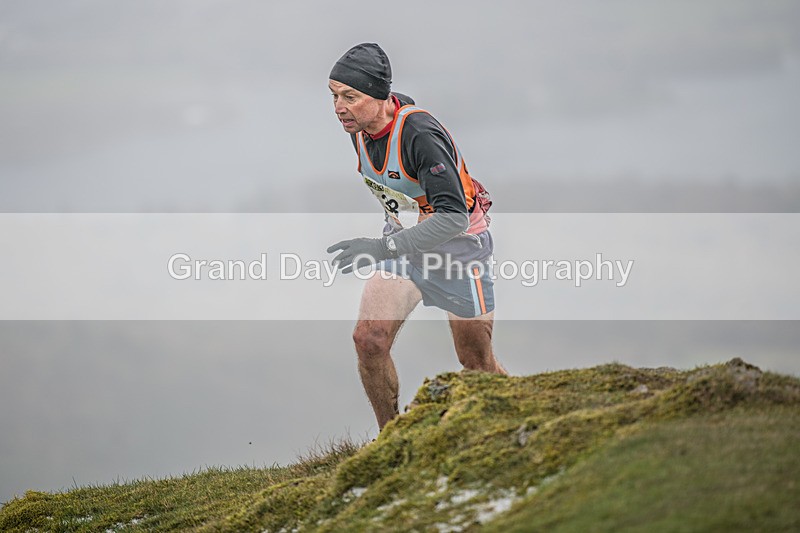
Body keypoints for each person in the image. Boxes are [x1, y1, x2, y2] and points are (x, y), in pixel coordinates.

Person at [326, 43, 507, 430]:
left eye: (350, 97)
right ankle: (391, 439)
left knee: (476, 364)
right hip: (405, 250)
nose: (339, 107)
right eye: (334, 95)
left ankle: (527, 414)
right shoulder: (360, 126)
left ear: (378, 96)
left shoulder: (420, 135)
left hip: (458, 253)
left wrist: (381, 248)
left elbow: (453, 218)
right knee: (369, 340)